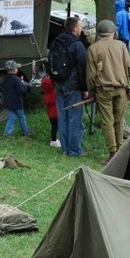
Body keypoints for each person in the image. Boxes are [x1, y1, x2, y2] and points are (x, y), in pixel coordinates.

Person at [86, 20, 130, 166]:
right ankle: (120, 150)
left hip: (103, 90)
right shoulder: (122, 46)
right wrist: (126, 83)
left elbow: (91, 74)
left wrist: (91, 91)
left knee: (108, 122)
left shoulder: (93, 48)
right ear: (113, 32)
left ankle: (113, 153)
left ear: (98, 33)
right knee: (119, 120)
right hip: (121, 89)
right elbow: (128, 68)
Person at [50, 16, 88, 157]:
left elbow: (50, 63)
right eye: (80, 26)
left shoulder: (56, 42)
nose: (81, 28)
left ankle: (65, 148)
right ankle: (74, 150)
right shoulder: (77, 45)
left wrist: (54, 82)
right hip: (73, 86)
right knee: (74, 118)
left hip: (58, 84)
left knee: (62, 116)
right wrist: (85, 89)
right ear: (74, 29)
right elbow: (82, 68)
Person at [2, 60, 33, 138]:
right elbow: (22, 90)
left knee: (12, 116)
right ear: (13, 69)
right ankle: (25, 131)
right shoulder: (16, 79)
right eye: (16, 67)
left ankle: (7, 133)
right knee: (21, 116)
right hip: (16, 102)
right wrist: (25, 85)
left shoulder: (6, 78)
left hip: (9, 101)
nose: (17, 69)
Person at [41, 77, 60, 148]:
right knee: (55, 127)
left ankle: (54, 139)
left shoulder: (46, 95)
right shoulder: (54, 94)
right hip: (55, 114)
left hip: (50, 114)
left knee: (53, 127)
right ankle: (54, 141)